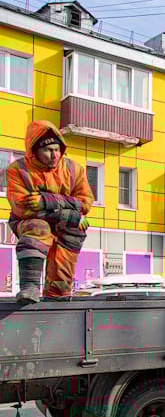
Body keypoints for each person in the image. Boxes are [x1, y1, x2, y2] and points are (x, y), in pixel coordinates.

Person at [6, 121, 93, 304]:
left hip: (67, 225)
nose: (54, 155)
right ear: (34, 151)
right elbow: (23, 208)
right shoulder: (18, 170)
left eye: (57, 149)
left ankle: (57, 296)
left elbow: (85, 203)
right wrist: (70, 214)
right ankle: (29, 287)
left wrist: (46, 201)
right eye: (47, 150)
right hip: (28, 222)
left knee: (72, 234)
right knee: (38, 227)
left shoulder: (74, 169)